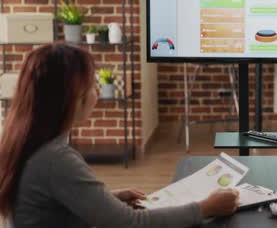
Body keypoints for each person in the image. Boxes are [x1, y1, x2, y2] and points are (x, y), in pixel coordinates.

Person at [0, 43, 239, 228]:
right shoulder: (55, 159)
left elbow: (55, 205)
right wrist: (205, 208)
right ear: (71, 98)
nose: (97, 92)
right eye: (92, 84)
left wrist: (107, 199)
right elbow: (129, 224)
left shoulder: (26, 140)